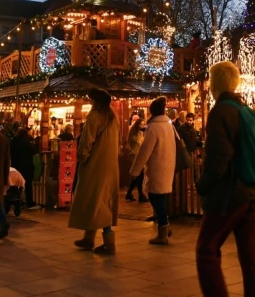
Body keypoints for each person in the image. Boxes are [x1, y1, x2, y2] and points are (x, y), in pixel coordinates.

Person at [195, 61, 255, 297]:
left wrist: (203, 186)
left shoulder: (220, 113)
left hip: (231, 193)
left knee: (207, 249)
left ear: (214, 84)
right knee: (251, 256)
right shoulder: (246, 111)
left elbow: (219, 158)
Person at [68, 89, 120, 255]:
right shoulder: (113, 118)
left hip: (95, 164)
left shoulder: (95, 117)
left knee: (96, 200)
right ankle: (89, 238)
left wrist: (82, 158)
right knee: (102, 200)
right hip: (110, 164)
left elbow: (86, 141)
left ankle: (108, 242)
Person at [130, 96, 176, 245]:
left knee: (156, 198)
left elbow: (145, 150)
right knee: (162, 198)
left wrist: (135, 170)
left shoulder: (154, 127)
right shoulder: (169, 125)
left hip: (157, 166)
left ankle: (163, 231)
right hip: (168, 165)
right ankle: (165, 226)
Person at [10, 127, 40, 210]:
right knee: (28, 185)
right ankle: (29, 202)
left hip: (16, 166)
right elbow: (34, 150)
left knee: (16, 184)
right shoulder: (26, 143)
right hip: (26, 166)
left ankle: (15, 201)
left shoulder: (14, 142)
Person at [125, 117, 148, 202]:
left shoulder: (140, 133)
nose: (142, 126)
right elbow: (138, 142)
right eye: (141, 124)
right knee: (138, 175)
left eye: (143, 124)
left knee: (137, 176)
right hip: (134, 156)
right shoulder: (134, 134)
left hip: (139, 155)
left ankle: (130, 193)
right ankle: (140, 194)